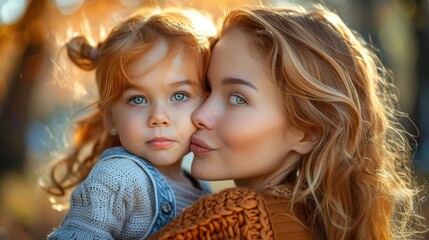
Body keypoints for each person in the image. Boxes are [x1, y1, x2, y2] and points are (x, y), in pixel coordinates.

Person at [148, 4, 427, 240]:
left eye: (237, 98)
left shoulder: (237, 217)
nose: (200, 115)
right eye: (207, 88)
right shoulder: (317, 223)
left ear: (308, 132)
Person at [43, 7, 214, 239]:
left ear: (206, 102)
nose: (158, 117)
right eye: (138, 99)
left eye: (179, 95)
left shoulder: (201, 188)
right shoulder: (118, 177)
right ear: (110, 118)